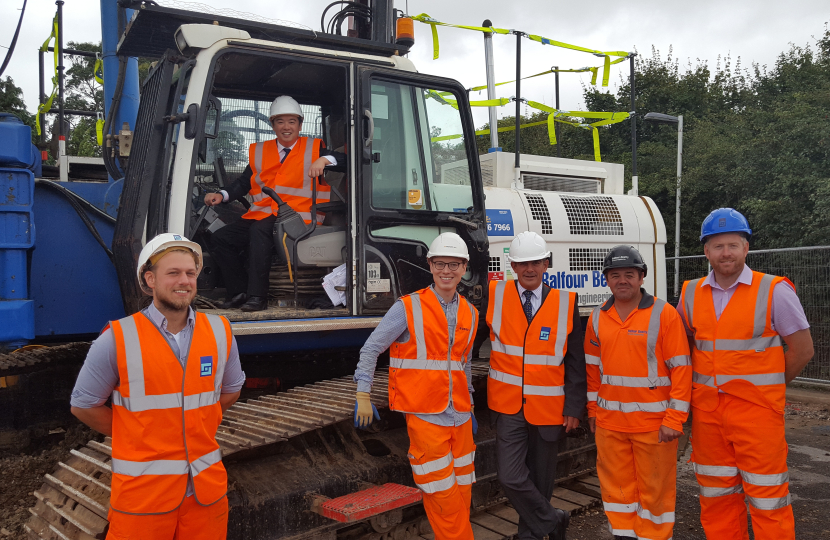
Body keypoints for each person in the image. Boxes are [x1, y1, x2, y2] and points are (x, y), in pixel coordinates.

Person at [70, 233, 246, 540]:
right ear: (150, 279)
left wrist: (197, 421)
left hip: (205, 496)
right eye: (173, 273)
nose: (185, 281)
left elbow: (232, 389)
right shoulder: (117, 339)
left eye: (191, 273)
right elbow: (83, 405)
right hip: (143, 499)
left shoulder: (220, 331)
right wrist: (133, 432)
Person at [679, 208, 813, 540]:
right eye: (718, 246)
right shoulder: (690, 293)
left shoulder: (774, 290)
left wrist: (771, 388)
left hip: (757, 417)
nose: (726, 253)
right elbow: (683, 348)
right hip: (709, 417)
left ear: (746, 248)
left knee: (768, 500)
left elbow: (802, 349)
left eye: (733, 245)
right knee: (717, 498)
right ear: (706, 251)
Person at [353, 232, 478, 540]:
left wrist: (471, 405)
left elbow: (464, 365)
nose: (446, 271)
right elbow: (371, 348)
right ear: (430, 265)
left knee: (463, 495)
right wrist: (362, 392)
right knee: (443, 499)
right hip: (425, 416)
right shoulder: (408, 308)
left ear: (464, 268)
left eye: (454, 264)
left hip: (460, 417)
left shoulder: (471, 314)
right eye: (439, 263)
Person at [583, 245, 691, 540]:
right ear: (606, 279)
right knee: (617, 491)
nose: (622, 280)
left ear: (641, 276)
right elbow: (593, 373)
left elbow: (682, 369)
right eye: (615, 275)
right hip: (610, 426)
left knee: (655, 492)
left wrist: (674, 419)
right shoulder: (596, 318)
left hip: (654, 426)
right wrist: (593, 412)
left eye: (629, 274)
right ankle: (623, 535)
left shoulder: (664, 314)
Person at [486, 231, 586, 540]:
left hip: (549, 408)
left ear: (546, 264)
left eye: (536, 262)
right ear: (513, 267)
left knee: (542, 482)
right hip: (508, 405)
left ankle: (531, 535)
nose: (530, 269)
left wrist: (573, 408)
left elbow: (575, 362)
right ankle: (553, 521)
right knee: (510, 476)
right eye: (522, 263)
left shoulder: (566, 302)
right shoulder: (494, 294)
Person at [204, 95, 346, 312]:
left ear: (300, 124)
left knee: (260, 231)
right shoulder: (260, 151)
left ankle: (257, 297)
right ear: (272, 125)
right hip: (262, 213)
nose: (286, 127)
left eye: (292, 122)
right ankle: (238, 291)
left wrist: (325, 160)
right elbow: (244, 183)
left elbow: (347, 161)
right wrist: (221, 195)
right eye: (280, 122)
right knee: (221, 239)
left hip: (300, 216)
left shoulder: (314, 148)